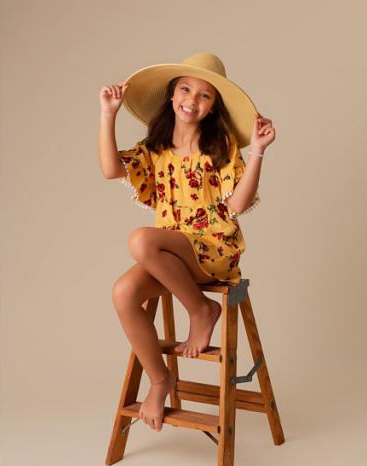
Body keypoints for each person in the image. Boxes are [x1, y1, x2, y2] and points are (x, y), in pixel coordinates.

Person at [98, 53, 275, 432]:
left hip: (212, 249)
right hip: (170, 255)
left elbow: (239, 204)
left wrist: (258, 151)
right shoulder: (154, 148)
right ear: (172, 95)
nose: (192, 99)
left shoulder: (220, 145)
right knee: (123, 291)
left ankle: (201, 311)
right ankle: (160, 380)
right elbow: (111, 169)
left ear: (213, 108)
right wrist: (108, 113)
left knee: (141, 239)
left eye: (205, 95)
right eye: (185, 89)